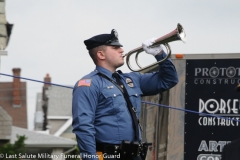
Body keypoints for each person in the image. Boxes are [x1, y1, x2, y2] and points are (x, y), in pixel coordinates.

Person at [72, 29, 178, 160]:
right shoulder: (88, 84)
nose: (122, 50)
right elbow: (83, 126)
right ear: (101, 54)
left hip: (135, 155)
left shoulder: (132, 79)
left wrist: (160, 54)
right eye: (115, 48)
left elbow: (169, 80)